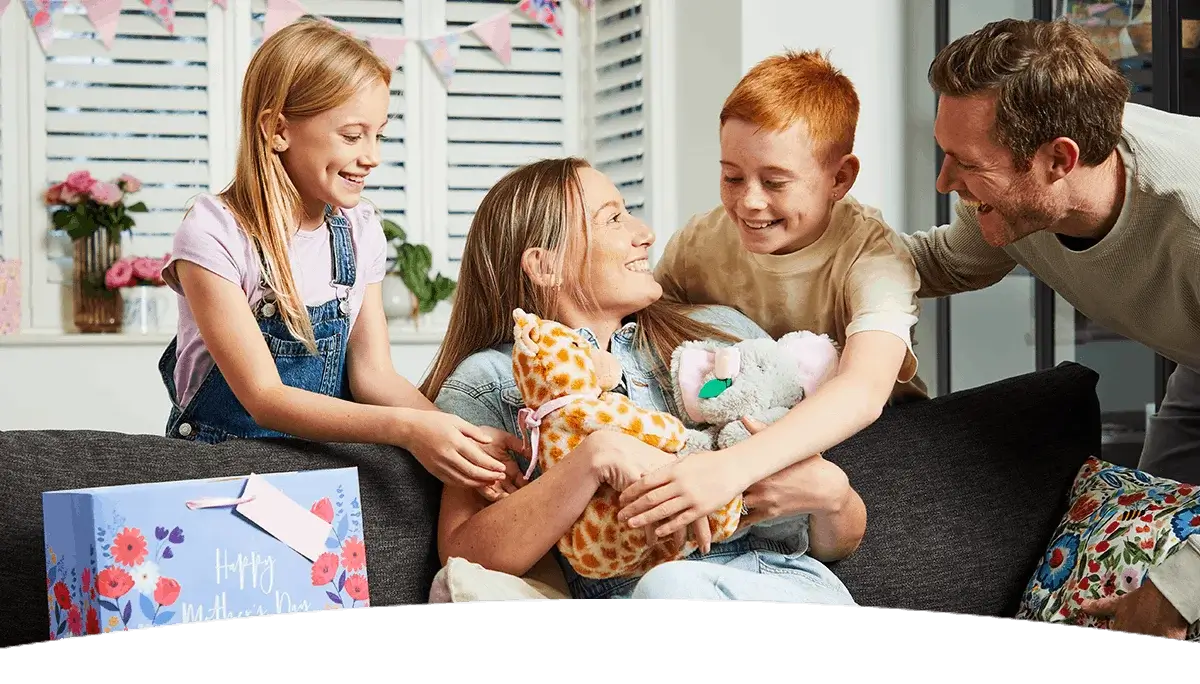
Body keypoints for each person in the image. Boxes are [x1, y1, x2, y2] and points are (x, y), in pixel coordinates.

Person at [421, 156, 867, 601]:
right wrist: (595, 456)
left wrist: (835, 496)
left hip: (788, 582)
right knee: (665, 585)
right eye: (613, 218)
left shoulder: (719, 333)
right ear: (545, 265)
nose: (645, 233)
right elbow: (463, 557)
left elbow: (838, 543)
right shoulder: (490, 381)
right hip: (644, 593)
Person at [901, 18, 1200, 641]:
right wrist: (779, 258)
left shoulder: (1191, 224)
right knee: (1146, 544)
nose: (944, 182)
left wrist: (1181, 590)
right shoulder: (1019, 196)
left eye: (966, 163)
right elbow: (942, 260)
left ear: (1059, 159)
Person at [157, 19, 523, 502]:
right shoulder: (215, 233)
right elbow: (265, 398)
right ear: (278, 130)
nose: (372, 156)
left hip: (315, 473)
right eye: (352, 136)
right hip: (220, 475)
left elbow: (373, 376)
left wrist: (461, 437)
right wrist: (408, 430)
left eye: (379, 135)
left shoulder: (360, 231)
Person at [620, 49, 923, 540]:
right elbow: (632, 338)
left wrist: (732, 468)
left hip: (864, 448)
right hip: (731, 434)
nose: (749, 202)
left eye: (775, 182)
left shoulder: (874, 256)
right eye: (731, 177)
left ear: (840, 178)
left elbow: (863, 389)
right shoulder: (699, 243)